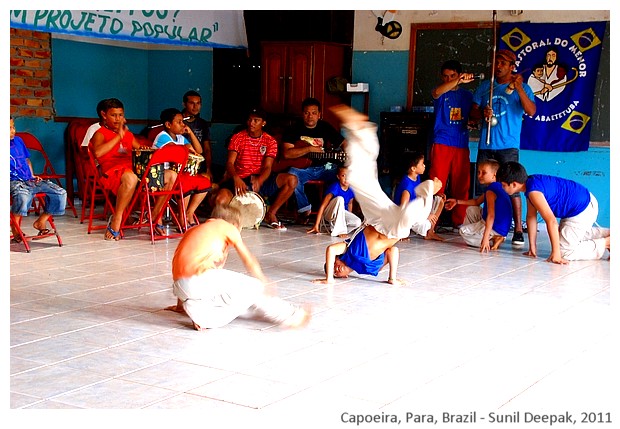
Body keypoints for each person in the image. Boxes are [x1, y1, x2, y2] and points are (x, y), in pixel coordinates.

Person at [313, 105, 443, 285]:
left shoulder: (347, 251)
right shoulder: (368, 269)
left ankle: (363, 134)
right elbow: (392, 252)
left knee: (360, 181)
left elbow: (330, 249)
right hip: (391, 228)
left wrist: (328, 279)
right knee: (409, 219)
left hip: (375, 220)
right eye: (335, 274)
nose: (336, 269)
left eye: (332, 266)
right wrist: (393, 278)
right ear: (344, 277)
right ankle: (428, 191)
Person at [165, 204, 311, 330]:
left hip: (181, 287)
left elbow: (185, 268)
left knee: (240, 298)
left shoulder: (196, 231)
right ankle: (292, 315)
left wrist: (179, 306)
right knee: (255, 287)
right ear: (235, 225)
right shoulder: (227, 227)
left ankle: (196, 308)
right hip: (198, 280)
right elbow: (248, 259)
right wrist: (263, 280)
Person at [471, 49, 536, 247]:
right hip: (486, 144)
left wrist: (519, 89)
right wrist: (482, 113)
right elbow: (472, 116)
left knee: (513, 188)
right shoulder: (484, 87)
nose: (498, 66)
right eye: (496, 62)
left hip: (508, 146)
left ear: (511, 66)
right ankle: (484, 228)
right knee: (484, 187)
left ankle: (517, 229)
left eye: (503, 63)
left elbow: (531, 110)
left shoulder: (522, 87)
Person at [496, 161, 610, 264]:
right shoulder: (530, 184)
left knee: (564, 251)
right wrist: (532, 247)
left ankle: (607, 242)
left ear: (514, 184)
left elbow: (551, 221)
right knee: (563, 238)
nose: (502, 188)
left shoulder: (533, 192)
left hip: (582, 209)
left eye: (503, 185)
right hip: (578, 206)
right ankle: (608, 233)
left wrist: (556, 254)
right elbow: (531, 217)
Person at [214, 107, 297, 230]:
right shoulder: (237, 137)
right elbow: (230, 163)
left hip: (261, 178)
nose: (251, 123)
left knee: (292, 180)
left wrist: (260, 180)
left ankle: (271, 214)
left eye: (256, 120)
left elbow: (268, 167)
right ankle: (235, 219)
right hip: (240, 178)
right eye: (250, 120)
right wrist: (236, 178)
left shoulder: (270, 141)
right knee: (220, 200)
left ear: (263, 123)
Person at [279, 97, 345, 222]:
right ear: (302, 114)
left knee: (341, 176)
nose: (310, 116)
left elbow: (343, 143)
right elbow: (287, 154)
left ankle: (333, 211)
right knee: (292, 174)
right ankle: (304, 210)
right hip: (303, 169)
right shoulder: (293, 129)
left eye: (314, 113)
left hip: (325, 168)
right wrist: (309, 149)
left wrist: (349, 154)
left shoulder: (325, 127)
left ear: (319, 114)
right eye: (306, 113)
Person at [429, 60, 474, 227]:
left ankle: (458, 222)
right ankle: (431, 223)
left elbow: (473, 115)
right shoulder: (440, 93)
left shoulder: (467, 96)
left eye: (453, 76)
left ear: (458, 73)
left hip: (461, 143)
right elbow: (436, 92)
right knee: (437, 185)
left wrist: (474, 121)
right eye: (446, 76)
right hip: (442, 142)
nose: (449, 79)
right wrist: (459, 80)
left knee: (461, 184)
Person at [89, 98, 142, 240]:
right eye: (113, 115)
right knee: (131, 177)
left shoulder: (128, 135)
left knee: (169, 176)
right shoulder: (100, 133)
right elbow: (98, 153)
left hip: (131, 169)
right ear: (104, 115)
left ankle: (155, 218)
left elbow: (142, 151)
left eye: (120, 115)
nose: (118, 119)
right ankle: (116, 220)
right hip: (110, 172)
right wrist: (118, 136)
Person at [153, 108, 212, 232]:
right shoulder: (162, 137)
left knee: (204, 182)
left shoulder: (180, 138)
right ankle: (181, 217)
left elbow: (199, 150)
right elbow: (177, 152)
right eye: (179, 122)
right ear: (168, 125)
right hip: (161, 176)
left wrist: (190, 133)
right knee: (185, 183)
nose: (183, 125)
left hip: (178, 173)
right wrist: (188, 148)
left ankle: (188, 214)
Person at [10, 117, 67, 240]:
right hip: (13, 182)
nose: (13, 131)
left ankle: (41, 221)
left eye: (13, 127)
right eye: (8, 128)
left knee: (60, 193)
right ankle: (15, 228)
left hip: (28, 179)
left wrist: (31, 175)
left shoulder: (18, 141)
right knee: (23, 197)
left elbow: (26, 160)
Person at [445, 159, 512, 252]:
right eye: (479, 172)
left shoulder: (491, 191)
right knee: (471, 209)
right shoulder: (498, 186)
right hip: (500, 227)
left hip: (495, 227)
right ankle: (481, 233)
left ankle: (491, 239)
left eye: (483, 173)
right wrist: (456, 202)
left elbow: (491, 215)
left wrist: (484, 239)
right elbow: (476, 202)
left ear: (494, 175)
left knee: (463, 231)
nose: (479, 176)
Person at [393, 151, 445, 241]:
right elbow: (403, 209)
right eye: (422, 164)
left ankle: (430, 232)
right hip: (409, 216)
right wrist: (426, 215)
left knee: (439, 200)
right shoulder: (407, 186)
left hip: (417, 211)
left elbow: (419, 195)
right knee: (429, 185)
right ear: (413, 168)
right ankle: (402, 232)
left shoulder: (417, 178)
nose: (424, 166)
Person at [307, 166, 361, 238]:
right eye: (343, 176)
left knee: (357, 222)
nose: (346, 179)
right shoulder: (335, 187)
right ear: (338, 177)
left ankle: (337, 230)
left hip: (341, 213)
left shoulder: (351, 189)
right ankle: (340, 231)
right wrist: (316, 224)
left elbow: (350, 204)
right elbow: (323, 205)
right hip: (329, 213)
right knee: (340, 199)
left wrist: (348, 217)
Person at [181, 90, 214, 180]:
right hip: (181, 164)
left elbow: (206, 149)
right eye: (192, 103)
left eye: (198, 103)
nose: (195, 107)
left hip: (199, 164)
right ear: (184, 104)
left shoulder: (202, 123)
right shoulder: (178, 122)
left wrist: (208, 169)